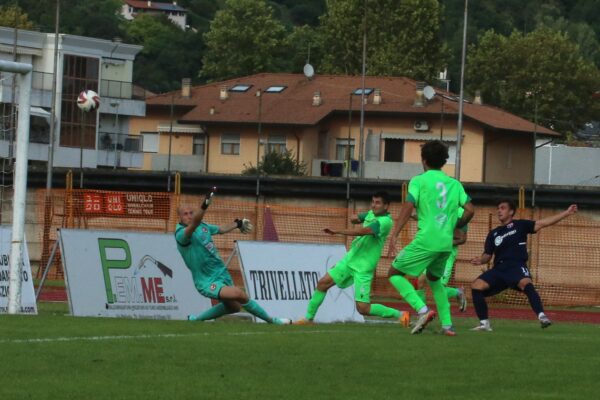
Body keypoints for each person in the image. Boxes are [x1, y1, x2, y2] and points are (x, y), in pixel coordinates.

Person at [387, 141, 474, 336]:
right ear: (444, 161)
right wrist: (456, 225)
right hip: (445, 244)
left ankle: (422, 311)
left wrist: (395, 233)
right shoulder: (455, 183)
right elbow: (470, 209)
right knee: (435, 281)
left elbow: (409, 206)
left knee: (393, 273)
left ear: (423, 160)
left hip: (427, 240)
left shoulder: (419, 181)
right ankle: (447, 326)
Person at [294, 191, 410, 326]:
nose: (373, 205)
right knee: (322, 283)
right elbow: (356, 218)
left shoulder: (385, 222)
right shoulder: (371, 214)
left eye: (377, 203)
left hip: (364, 267)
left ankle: (401, 315)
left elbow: (362, 231)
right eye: (372, 202)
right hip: (350, 260)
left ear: (386, 206)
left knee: (363, 308)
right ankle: (308, 319)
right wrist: (356, 218)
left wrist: (337, 231)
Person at [175, 189, 290, 324]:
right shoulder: (181, 235)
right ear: (180, 218)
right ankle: (273, 320)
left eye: (191, 213)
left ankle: (196, 319)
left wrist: (237, 224)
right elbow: (194, 223)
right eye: (185, 214)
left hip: (221, 274)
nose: (189, 216)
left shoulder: (203, 226)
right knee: (238, 294)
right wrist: (204, 205)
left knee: (234, 306)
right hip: (206, 281)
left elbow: (221, 229)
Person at [470, 200, 578, 331]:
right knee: (476, 286)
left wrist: (566, 213)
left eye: (503, 208)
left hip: (516, 266)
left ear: (511, 212)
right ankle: (484, 324)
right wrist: (480, 260)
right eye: (498, 208)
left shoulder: (520, 225)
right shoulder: (493, 234)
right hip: (499, 269)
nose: (499, 210)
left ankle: (542, 316)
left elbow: (543, 223)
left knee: (526, 284)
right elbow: (487, 256)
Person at [414, 207, 468, 312]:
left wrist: (444, 242)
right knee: (419, 282)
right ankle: (422, 313)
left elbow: (462, 239)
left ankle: (458, 292)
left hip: (447, 254)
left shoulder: (461, 213)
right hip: (433, 251)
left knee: (439, 289)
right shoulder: (437, 206)